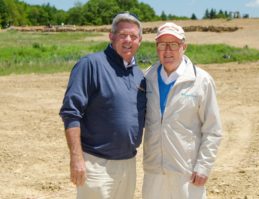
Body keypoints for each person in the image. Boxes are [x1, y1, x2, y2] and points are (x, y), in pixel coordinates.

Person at [59, 12, 146, 199]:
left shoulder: (139, 75)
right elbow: (71, 113)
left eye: (133, 36)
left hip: (128, 165)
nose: (128, 40)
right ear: (111, 36)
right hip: (96, 165)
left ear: (140, 40)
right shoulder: (91, 65)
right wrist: (76, 158)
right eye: (123, 35)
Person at [142, 22, 222, 199]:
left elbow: (213, 130)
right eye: (162, 44)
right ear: (157, 48)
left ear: (183, 47)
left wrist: (203, 166)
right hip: (154, 172)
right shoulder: (146, 78)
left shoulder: (201, 81)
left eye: (174, 44)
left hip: (187, 173)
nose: (167, 50)